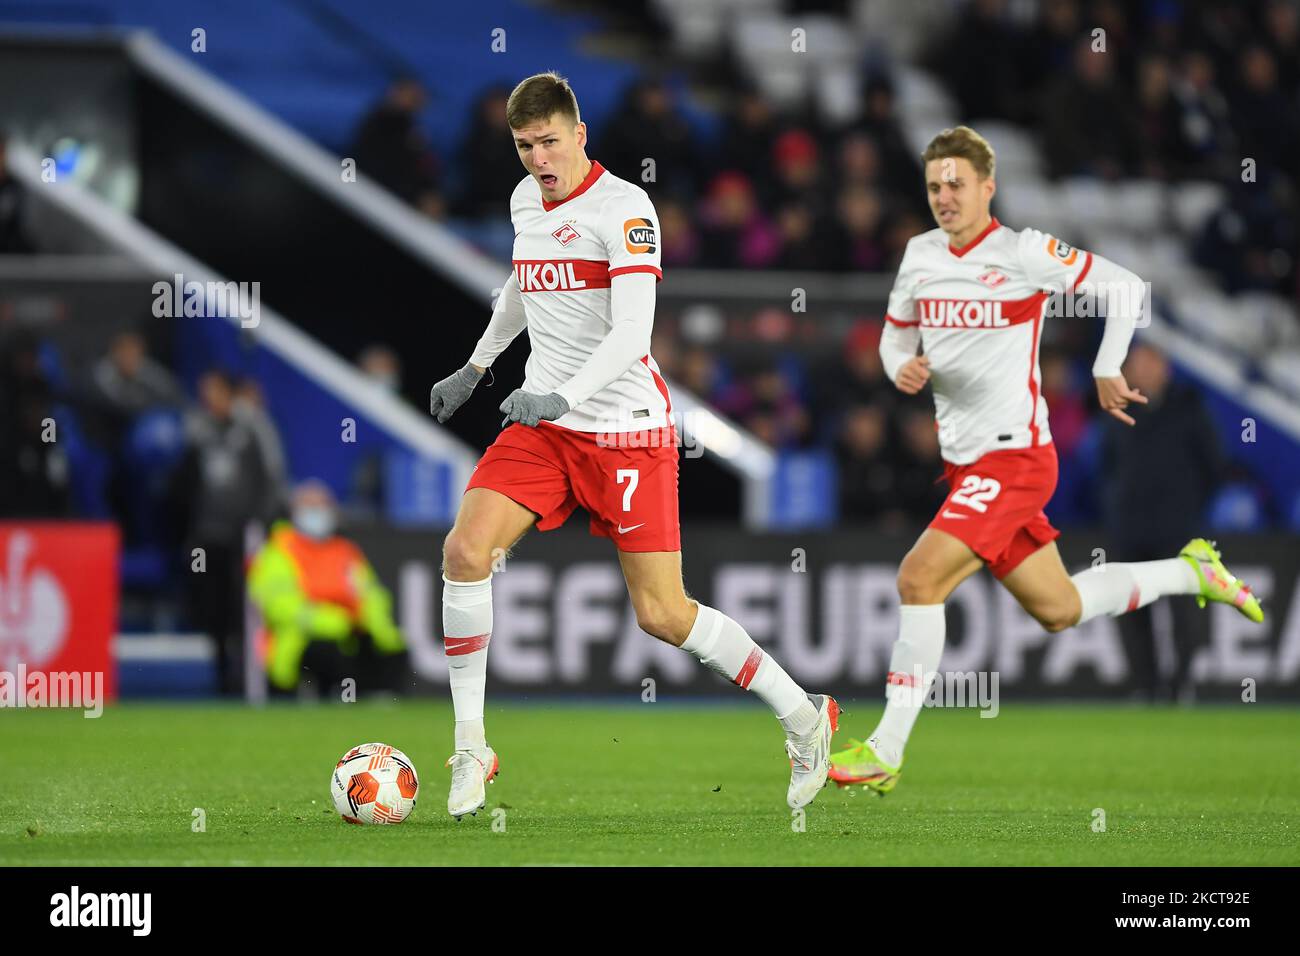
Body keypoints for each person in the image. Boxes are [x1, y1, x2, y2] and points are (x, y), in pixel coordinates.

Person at [427, 72, 838, 819]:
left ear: (581, 134)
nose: (539, 159)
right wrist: (479, 364)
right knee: (464, 552)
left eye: (550, 141)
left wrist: (564, 395)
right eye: (525, 146)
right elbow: (522, 287)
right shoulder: (526, 200)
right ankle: (470, 746)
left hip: (623, 430)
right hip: (545, 429)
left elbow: (631, 333)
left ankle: (805, 717)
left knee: (663, 614)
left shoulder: (625, 209)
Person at [828, 126, 1263, 794]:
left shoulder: (1025, 253)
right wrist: (902, 367)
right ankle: (1190, 573)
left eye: (957, 184)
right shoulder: (918, 255)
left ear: (987, 187)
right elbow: (892, 341)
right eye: (935, 185)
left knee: (919, 579)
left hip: (1017, 459)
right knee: (1059, 608)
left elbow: (1125, 288)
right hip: (968, 467)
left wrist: (1106, 363)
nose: (944, 196)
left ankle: (886, 749)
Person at [1099, 342, 1226, 702]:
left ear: (1164, 369)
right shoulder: (1117, 410)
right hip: (1130, 528)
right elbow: (1105, 467)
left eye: (1148, 363)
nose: (1141, 371)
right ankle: (1145, 685)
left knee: (1184, 610)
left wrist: (1188, 509)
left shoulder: (1189, 407)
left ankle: (1182, 683)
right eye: (1135, 364)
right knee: (1132, 607)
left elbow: (1214, 466)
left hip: (1179, 530)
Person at [248, 481, 406, 697]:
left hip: (349, 634)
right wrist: (336, 621)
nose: (317, 513)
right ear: (294, 512)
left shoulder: (345, 551)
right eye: (310, 507)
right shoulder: (279, 551)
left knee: (392, 648)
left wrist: (368, 624)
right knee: (328, 650)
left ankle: (383, 706)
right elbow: (280, 607)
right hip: (300, 641)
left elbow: (371, 595)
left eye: (322, 506)